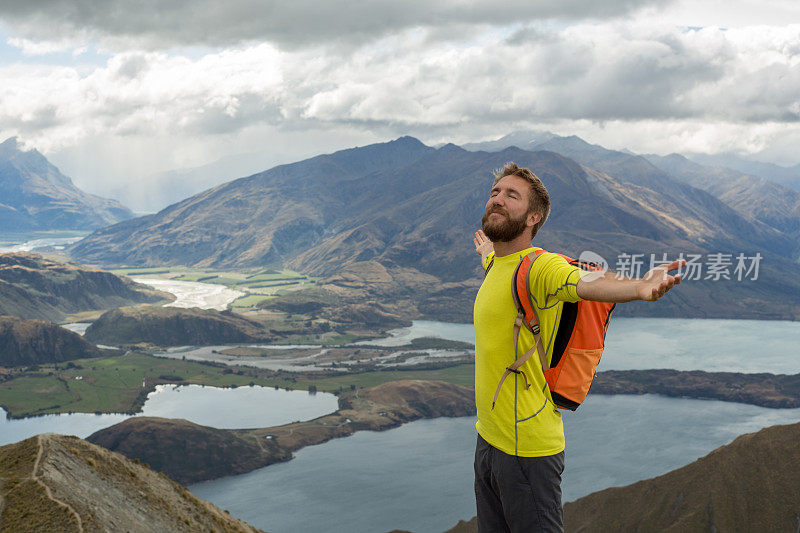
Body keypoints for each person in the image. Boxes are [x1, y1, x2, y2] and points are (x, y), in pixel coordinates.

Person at [472, 162, 684, 532]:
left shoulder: (540, 268)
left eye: (512, 195)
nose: (498, 200)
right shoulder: (500, 265)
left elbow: (583, 281)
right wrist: (488, 253)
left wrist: (638, 288)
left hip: (527, 452)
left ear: (533, 218)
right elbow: (499, 265)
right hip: (489, 440)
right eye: (495, 192)